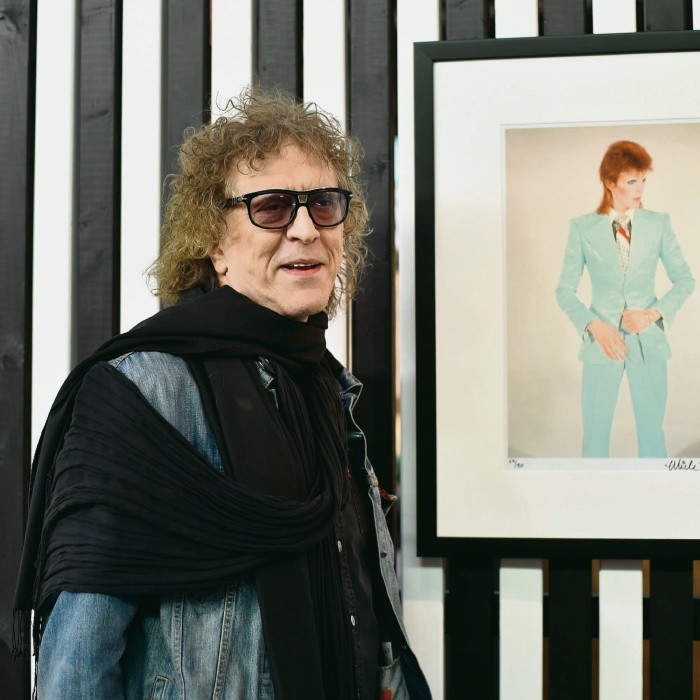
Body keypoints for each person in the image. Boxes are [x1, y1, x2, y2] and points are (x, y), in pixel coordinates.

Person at [14, 88, 431, 699]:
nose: (305, 230)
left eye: (323, 203)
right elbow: (76, 666)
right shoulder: (143, 393)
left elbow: (362, 610)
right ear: (214, 242)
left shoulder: (326, 387)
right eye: (271, 207)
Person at [555, 140, 694, 458]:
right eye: (632, 181)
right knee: (595, 438)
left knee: (652, 437)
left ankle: (654, 488)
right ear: (609, 182)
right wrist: (595, 326)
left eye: (643, 180)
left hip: (649, 343)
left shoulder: (659, 223)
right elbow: (564, 290)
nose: (640, 188)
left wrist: (651, 315)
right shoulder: (582, 228)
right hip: (601, 344)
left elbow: (685, 280)